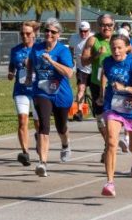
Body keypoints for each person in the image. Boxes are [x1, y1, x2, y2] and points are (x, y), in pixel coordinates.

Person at [98, 35, 132, 196]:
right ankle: (110, 183)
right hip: (113, 107)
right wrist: (102, 93)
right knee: (112, 142)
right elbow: (104, 76)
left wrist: (125, 88)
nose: (116, 51)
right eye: (113, 47)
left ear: (127, 47)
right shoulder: (107, 62)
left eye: (119, 47)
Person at [26, 18, 74, 177]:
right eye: (47, 30)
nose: (49, 34)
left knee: (61, 126)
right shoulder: (37, 48)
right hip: (42, 91)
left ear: (58, 34)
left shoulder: (63, 51)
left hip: (61, 93)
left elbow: (69, 73)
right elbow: (30, 62)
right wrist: (28, 76)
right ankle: (42, 163)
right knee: (43, 126)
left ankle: (65, 144)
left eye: (53, 32)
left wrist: (52, 61)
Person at [81, 14, 115, 161]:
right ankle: (108, 144)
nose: (106, 27)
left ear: (114, 25)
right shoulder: (93, 40)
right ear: (98, 26)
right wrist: (96, 54)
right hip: (97, 85)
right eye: (103, 25)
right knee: (101, 119)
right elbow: (83, 61)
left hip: (116, 86)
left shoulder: (118, 40)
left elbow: (131, 55)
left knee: (113, 119)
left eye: (109, 25)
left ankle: (111, 145)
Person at [8, 21, 40, 167]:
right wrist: (11, 72)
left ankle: (40, 139)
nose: (24, 36)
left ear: (34, 34)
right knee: (22, 120)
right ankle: (25, 153)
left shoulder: (39, 49)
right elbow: (12, 64)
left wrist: (32, 65)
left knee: (38, 123)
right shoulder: (15, 50)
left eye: (28, 33)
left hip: (37, 91)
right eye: (22, 33)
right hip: (20, 90)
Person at [68, 21, 93, 121]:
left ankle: (99, 109)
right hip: (81, 68)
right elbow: (70, 48)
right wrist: (72, 59)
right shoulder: (74, 38)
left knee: (95, 90)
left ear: (89, 30)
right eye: (81, 31)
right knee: (81, 89)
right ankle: (79, 111)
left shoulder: (93, 37)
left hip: (93, 68)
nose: (83, 33)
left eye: (85, 31)